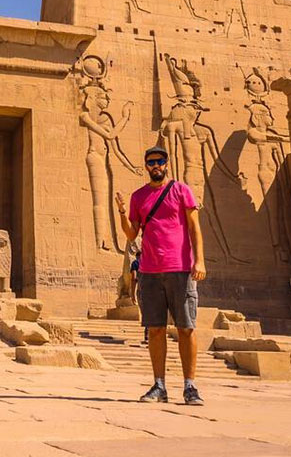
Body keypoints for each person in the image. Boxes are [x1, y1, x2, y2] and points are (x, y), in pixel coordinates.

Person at [115, 145, 206, 405]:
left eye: (160, 161)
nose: (156, 166)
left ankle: (190, 386)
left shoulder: (181, 190)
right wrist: (122, 213)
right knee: (155, 329)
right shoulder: (139, 196)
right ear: (146, 166)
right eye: (151, 162)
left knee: (186, 327)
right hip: (150, 270)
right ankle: (159, 385)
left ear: (166, 164)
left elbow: (194, 228)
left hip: (180, 267)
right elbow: (131, 234)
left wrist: (199, 260)